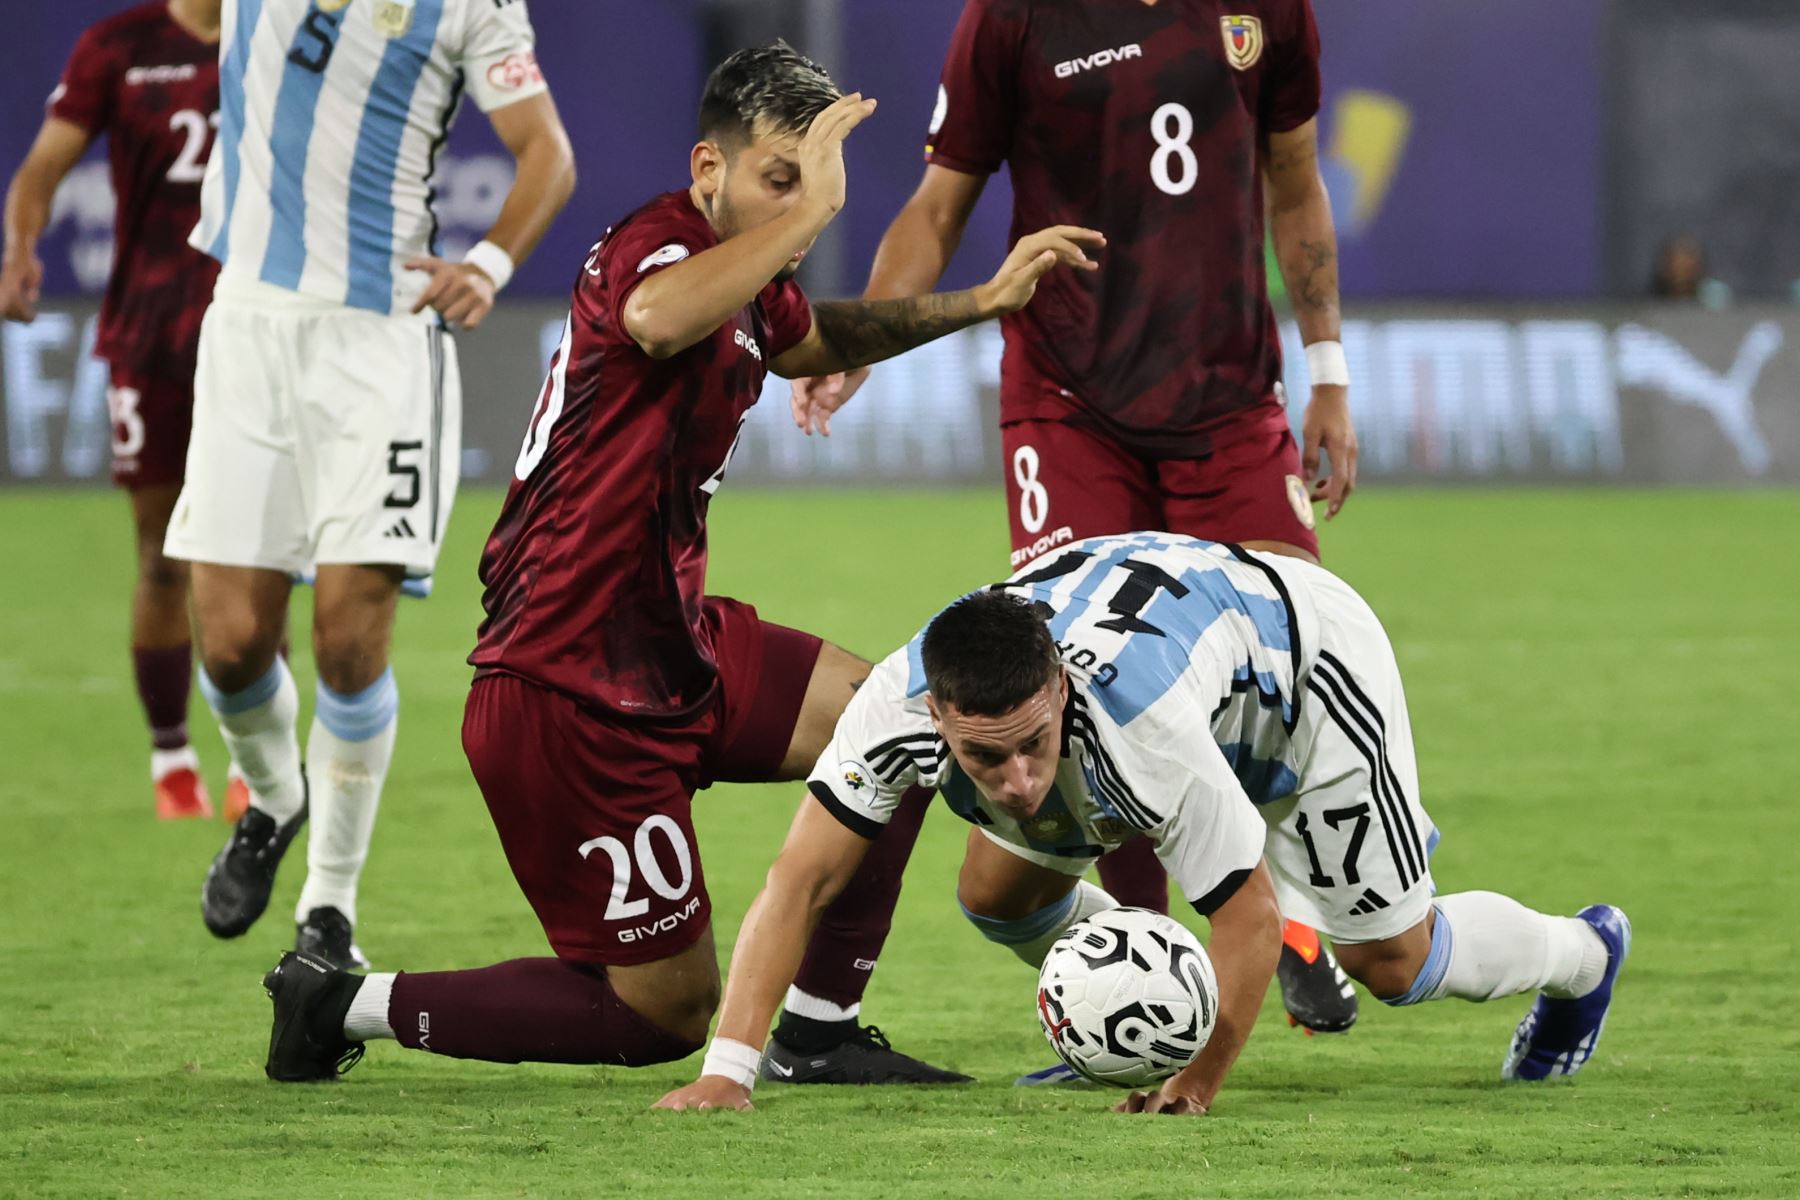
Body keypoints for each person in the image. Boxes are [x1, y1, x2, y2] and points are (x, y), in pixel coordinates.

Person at [251, 42, 1105, 1085]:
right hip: (568, 683)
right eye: (778, 177)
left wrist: (979, 301)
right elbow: (659, 321)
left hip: (669, 641)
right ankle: (340, 1003)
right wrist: (818, 212)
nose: (798, 201)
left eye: (811, 178)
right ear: (711, 169)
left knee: (897, 718)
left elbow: (804, 341)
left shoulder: (742, 277)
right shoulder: (654, 253)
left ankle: (817, 1035)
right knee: (664, 1015)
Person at [787, 0, 1360, 1035]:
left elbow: (1296, 179)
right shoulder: (1010, 18)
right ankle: (1140, 977)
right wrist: (864, 340)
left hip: (1229, 399)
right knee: (1093, 674)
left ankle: (1300, 919)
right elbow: (937, 207)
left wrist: (1328, 369)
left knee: (1290, 664)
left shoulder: (1268, 9)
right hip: (1068, 404)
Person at [656, 533, 1632, 1113]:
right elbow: (801, 881)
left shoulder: (1140, 729)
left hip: (1303, 677)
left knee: (1394, 964)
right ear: (937, 719)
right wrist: (728, 1072)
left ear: (1059, 689)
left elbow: (1249, 915)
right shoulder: (891, 708)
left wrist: (1196, 1080)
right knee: (995, 889)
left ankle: (1585, 954)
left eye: (1031, 745)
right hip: (1177, 633)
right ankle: (1139, 1003)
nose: (1019, 779)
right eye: (984, 758)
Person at [174, 0, 577, 971]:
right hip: (250, 328)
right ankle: (274, 796)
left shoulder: (473, 7)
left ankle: (330, 909)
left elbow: (548, 156)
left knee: (349, 640)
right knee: (230, 645)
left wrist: (487, 263)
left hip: (381, 348)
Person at [1, 0, 228, 821]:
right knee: (163, 555)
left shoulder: (283, 35)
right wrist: (20, 247)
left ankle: (252, 762)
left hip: (260, 335)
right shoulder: (119, 46)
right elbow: (41, 168)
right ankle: (172, 757)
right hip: (151, 332)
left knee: (255, 556)